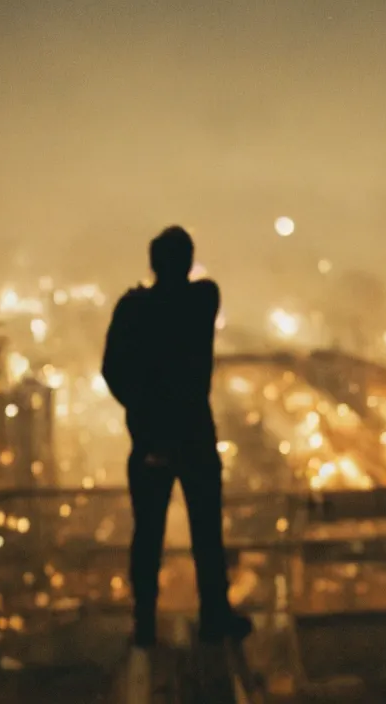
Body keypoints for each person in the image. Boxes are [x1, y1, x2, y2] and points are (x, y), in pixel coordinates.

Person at [102, 226, 252, 663]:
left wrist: (141, 411)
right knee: (206, 528)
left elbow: (112, 368)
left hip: (150, 435)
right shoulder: (202, 300)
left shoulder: (133, 309)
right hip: (194, 432)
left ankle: (144, 623)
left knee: (147, 531)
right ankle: (214, 616)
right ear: (188, 262)